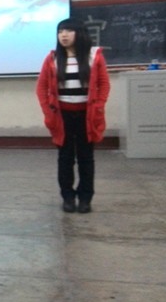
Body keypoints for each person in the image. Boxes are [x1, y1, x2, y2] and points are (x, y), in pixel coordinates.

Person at [36, 18, 110, 214]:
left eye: (68, 31)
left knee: (86, 158)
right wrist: (47, 111)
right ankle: (68, 197)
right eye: (60, 31)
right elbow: (41, 88)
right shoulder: (52, 59)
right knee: (65, 158)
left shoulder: (94, 56)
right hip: (62, 117)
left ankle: (85, 198)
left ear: (80, 33)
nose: (64, 35)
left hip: (87, 117)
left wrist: (99, 106)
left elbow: (104, 84)